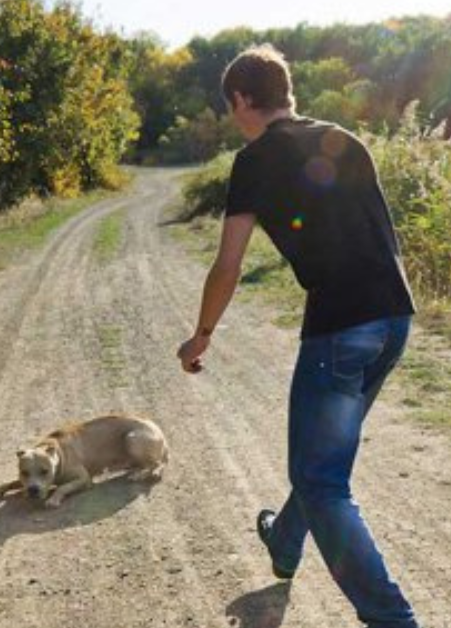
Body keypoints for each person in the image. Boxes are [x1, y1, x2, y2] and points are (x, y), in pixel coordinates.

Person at [176, 44, 420, 628]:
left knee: (321, 480)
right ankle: (285, 541)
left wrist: (201, 335)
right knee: (323, 462)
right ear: (286, 90)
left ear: (241, 99)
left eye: (231, 105)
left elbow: (228, 264)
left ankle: (392, 619)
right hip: (394, 318)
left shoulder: (254, 161)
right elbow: (383, 235)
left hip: (340, 326)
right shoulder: (347, 139)